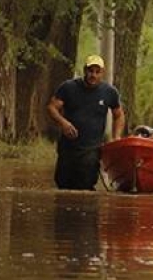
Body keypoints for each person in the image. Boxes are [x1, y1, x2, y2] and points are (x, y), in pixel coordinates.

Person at [47, 54, 126, 191]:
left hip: (92, 149)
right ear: (85, 70)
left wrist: (117, 137)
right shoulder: (68, 87)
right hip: (68, 147)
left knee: (85, 186)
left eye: (97, 72)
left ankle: (86, 211)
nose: (93, 75)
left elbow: (118, 115)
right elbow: (52, 107)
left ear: (102, 73)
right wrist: (63, 123)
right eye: (90, 71)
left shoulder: (109, 92)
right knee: (63, 184)